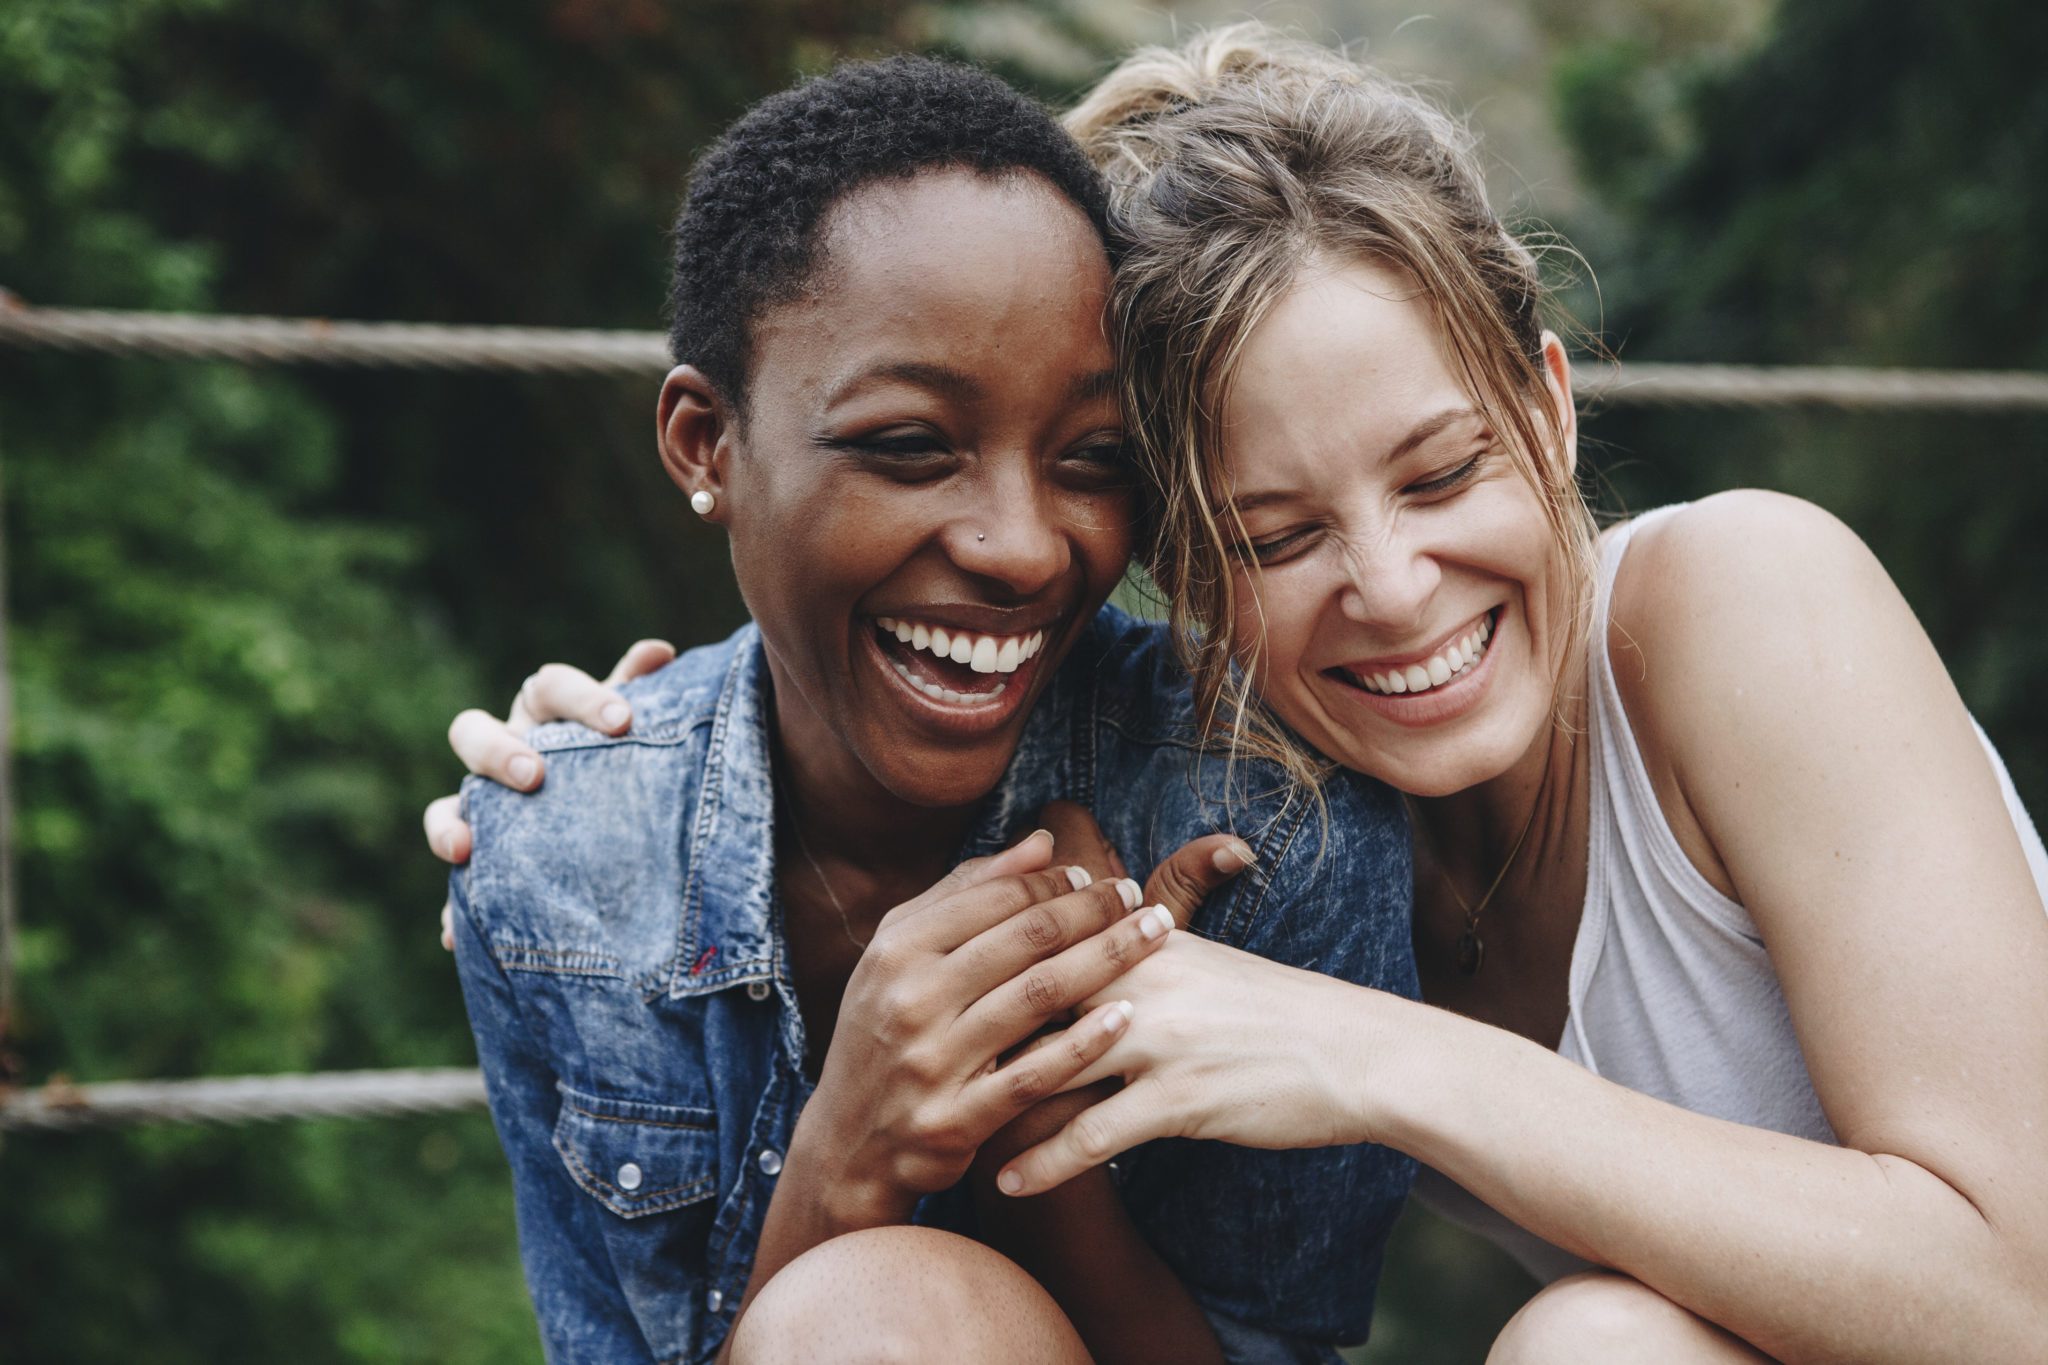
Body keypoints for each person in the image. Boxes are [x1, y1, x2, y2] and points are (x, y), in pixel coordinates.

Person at [962, 27, 2047, 1365]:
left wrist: (1383, 1059)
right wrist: (636, 740)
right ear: (1184, 575)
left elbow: (2021, 1295)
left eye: (1439, 474)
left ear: (1544, 409)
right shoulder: (1287, 833)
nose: (1396, 587)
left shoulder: (1746, 602)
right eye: (1278, 538)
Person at [437, 54, 1417, 1365]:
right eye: (909, 445)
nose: (1021, 546)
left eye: (1093, 461)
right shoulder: (559, 867)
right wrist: (850, 1147)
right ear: (705, 444)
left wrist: (1047, 1142)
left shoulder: (1262, 820)